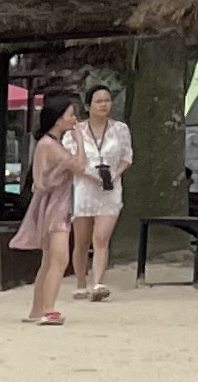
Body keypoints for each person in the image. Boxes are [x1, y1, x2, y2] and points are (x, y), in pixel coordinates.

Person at [15, 88, 83, 326]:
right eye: (70, 115)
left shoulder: (50, 143)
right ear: (58, 118)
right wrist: (80, 143)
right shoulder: (50, 145)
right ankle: (48, 308)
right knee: (59, 260)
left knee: (49, 261)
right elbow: (78, 167)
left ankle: (38, 308)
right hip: (56, 207)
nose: (74, 120)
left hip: (54, 205)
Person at [69, 83, 131, 302]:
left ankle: (98, 282)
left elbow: (127, 156)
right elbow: (70, 160)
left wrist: (115, 174)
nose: (104, 105)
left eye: (107, 100)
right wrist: (89, 175)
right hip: (85, 187)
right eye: (99, 101)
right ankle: (80, 282)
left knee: (101, 238)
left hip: (109, 188)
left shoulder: (120, 129)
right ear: (89, 105)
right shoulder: (76, 131)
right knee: (82, 241)